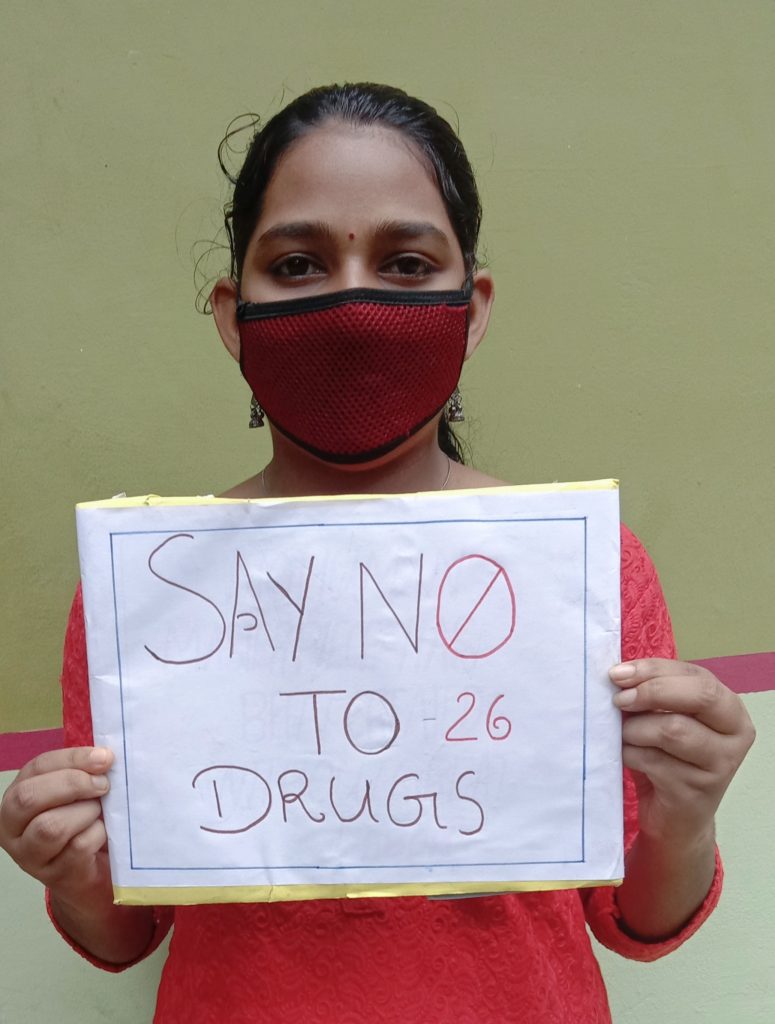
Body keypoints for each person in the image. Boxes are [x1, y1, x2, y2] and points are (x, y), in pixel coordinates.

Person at [0, 83, 755, 1023]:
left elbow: (635, 921)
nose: (354, 307)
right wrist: (69, 868)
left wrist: (686, 813)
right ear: (234, 314)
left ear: (471, 307)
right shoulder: (148, 589)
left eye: (404, 263)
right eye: (299, 264)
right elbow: (126, 935)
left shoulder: (587, 573)